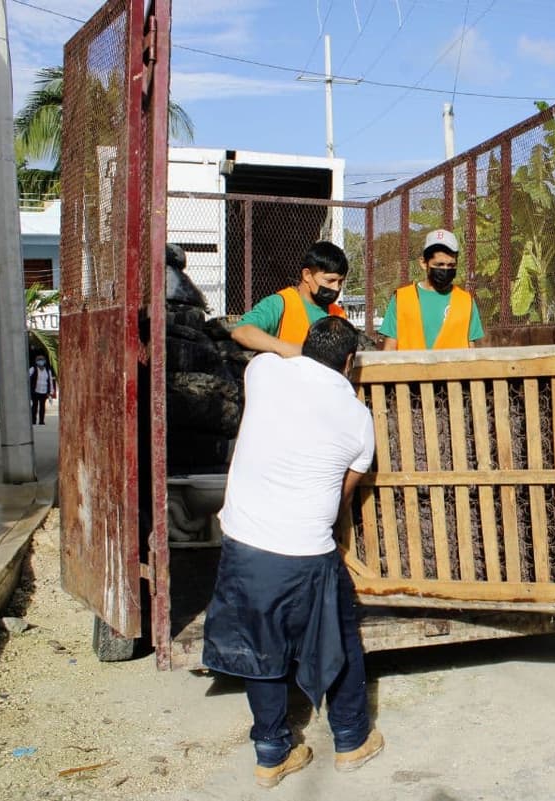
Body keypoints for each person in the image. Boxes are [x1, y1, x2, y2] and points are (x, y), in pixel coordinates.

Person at [202, 316, 383, 788]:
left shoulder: (264, 373)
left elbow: (250, 337)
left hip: (246, 545)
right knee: (339, 640)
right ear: (349, 362)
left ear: (303, 348)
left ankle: (271, 753)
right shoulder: (358, 417)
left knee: (259, 646)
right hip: (308, 550)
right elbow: (345, 491)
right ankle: (350, 739)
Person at [232, 241, 350, 357]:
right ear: (307, 275)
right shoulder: (279, 303)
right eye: (330, 281)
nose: (336, 288)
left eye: (340, 282)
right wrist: (286, 349)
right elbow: (241, 332)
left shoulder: (339, 314)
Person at [378, 229, 484, 350]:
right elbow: (390, 348)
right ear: (424, 263)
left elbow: (471, 350)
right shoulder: (401, 299)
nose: (445, 269)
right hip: (412, 369)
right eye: (439, 264)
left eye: (451, 265)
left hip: (453, 369)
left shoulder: (466, 301)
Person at [28, 355, 57, 425]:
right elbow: (27, 377)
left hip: (44, 391)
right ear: (36, 361)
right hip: (35, 391)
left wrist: (51, 391)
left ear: (45, 361)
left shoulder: (47, 370)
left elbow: (50, 381)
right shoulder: (33, 369)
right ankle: (33, 421)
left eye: (42, 360)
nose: (41, 361)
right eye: (39, 360)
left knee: (42, 406)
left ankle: (41, 421)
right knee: (34, 406)